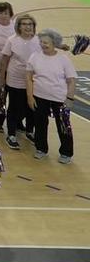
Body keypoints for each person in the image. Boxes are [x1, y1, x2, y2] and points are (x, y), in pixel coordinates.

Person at [26, 27, 76, 163]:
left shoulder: (63, 59)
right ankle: (41, 149)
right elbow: (29, 77)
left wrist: (69, 99)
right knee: (40, 124)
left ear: (55, 43)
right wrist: (30, 96)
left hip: (59, 99)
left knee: (63, 125)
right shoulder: (35, 56)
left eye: (46, 42)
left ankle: (66, 153)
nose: (43, 45)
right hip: (39, 97)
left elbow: (71, 80)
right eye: (41, 42)